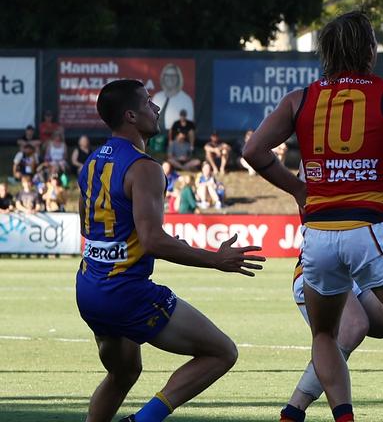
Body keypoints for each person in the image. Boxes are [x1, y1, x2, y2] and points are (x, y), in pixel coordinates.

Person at [242, 10, 383, 422]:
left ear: (326, 52)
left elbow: (254, 151)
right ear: (370, 50)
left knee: (326, 334)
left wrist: (299, 189)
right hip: (368, 231)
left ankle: (342, 416)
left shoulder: (299, 99)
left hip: (318, 239)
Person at [76, 78, 263, 422]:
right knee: (222, 353)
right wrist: (216, 259)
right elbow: (153, 240)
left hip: (89, 288)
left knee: (123, 374)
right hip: (125, 292)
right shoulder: (144, 168)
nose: (157, 108)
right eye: (149, 104)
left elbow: (91, 229)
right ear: (131, 116)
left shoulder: (91, 162)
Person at [281, 158, 383, 422]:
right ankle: (293, 412)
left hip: (363, 271)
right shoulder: (317, 155)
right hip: (321, 263)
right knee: (353, 326)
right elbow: (307, 205)